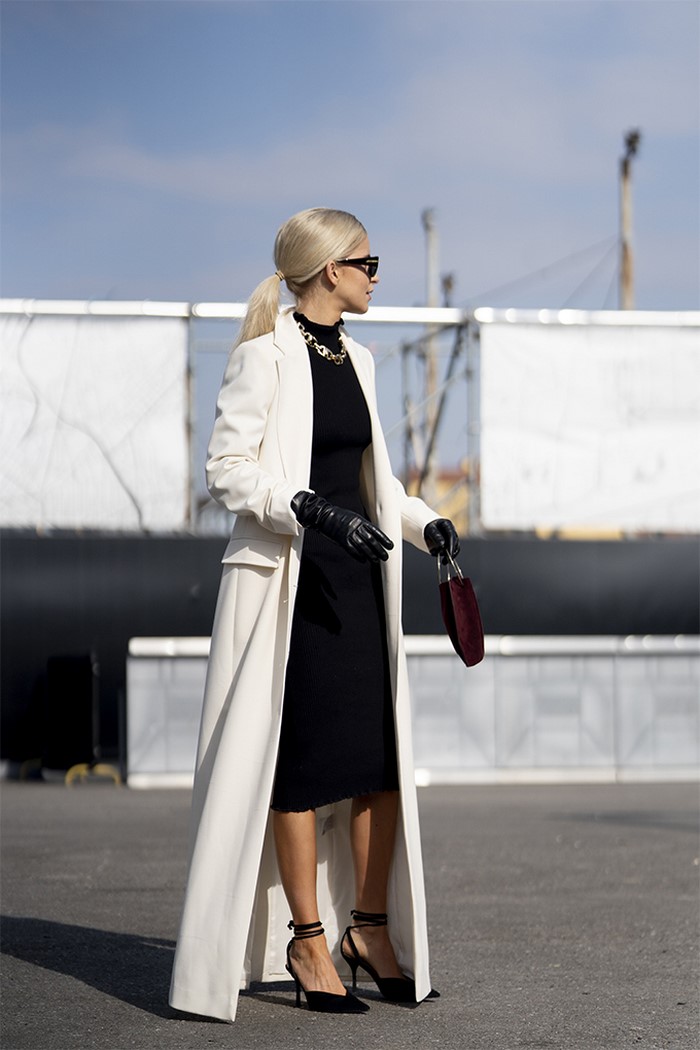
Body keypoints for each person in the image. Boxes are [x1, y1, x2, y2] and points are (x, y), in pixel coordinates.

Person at [169, 207, 459, 1021]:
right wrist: (304, 507)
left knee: (379, 764)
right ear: (332, 269)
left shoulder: (359, 359)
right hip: (290, 583)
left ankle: (368, 928)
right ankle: (307, 941)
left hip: (359, 581)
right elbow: (226, 468)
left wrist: (426, 523)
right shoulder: (262, 355)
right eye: (369, 263)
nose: (376, 276)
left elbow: (377, 482)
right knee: (297, 762)